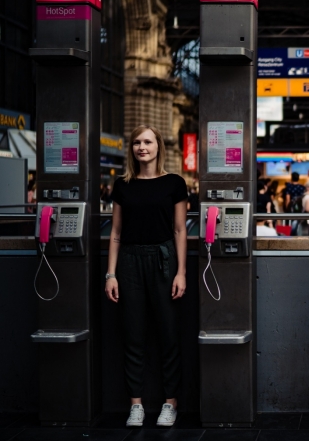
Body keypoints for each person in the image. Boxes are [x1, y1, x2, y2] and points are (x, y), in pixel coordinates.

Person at [105, 124, 188, 428]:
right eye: (137, 142)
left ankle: (170, 403)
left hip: (164, 260)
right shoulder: (123, 185)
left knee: (168, 333)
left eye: (148, 142)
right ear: (132, 149)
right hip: (129, 261)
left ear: (157, 147)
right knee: (133, 334)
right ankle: (136, 405)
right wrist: (110, 274)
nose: (142, 147)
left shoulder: (174, 183)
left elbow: (180, 230)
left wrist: (181, 272)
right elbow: (115, 234)